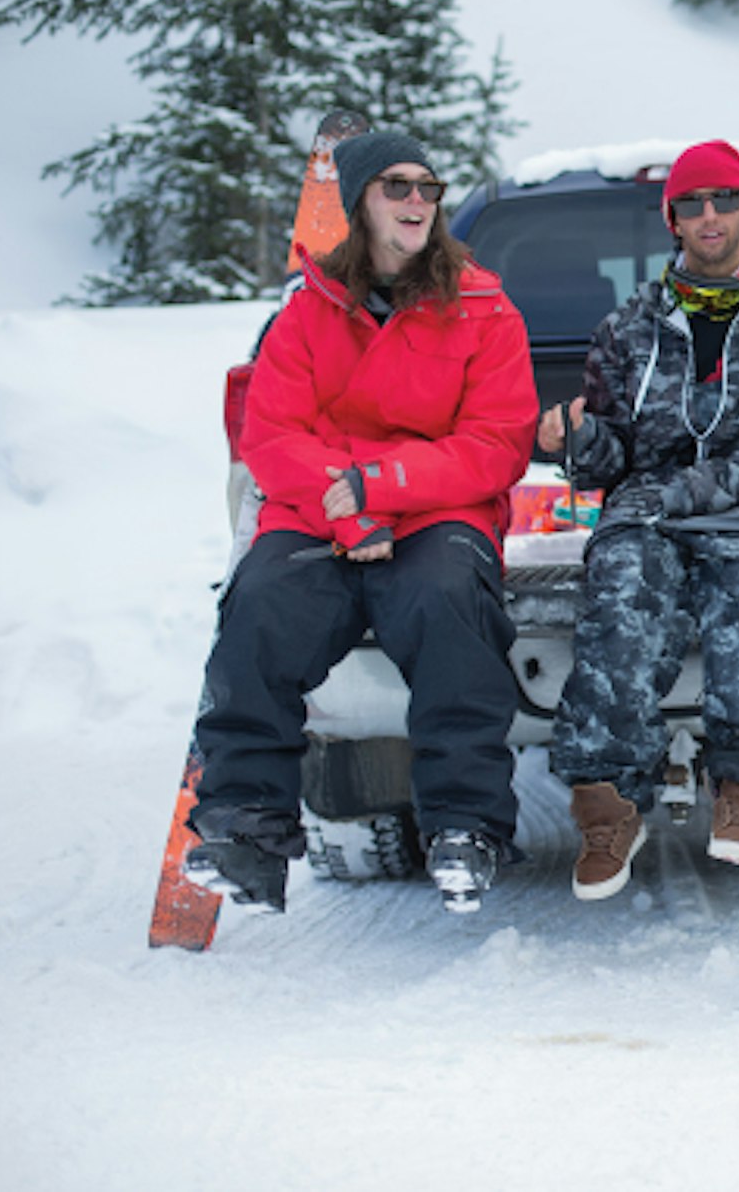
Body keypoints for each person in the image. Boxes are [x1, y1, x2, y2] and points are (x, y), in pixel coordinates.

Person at [185, 130, 539, 917]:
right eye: (396, 187)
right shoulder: (308, 311)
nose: (418, 202)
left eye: (428, 188)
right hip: (320, 511)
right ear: (356, 204)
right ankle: (246, 822)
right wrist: (347, 511)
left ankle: (465, 825)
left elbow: (497, 441)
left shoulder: (482, 307)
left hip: (434, 509)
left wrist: (379, 483)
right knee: (262, 602)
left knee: (450, 604)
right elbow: (272, 435)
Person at [539, 139, 739, 900]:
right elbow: (615, 451)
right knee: (621, 593)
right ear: (671, 220)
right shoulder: (628, 328)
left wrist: (703, 486)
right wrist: (577, 440)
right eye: (693, 204)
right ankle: (608, 804)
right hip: (650, 514)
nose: (709, 216)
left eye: (724, 201)